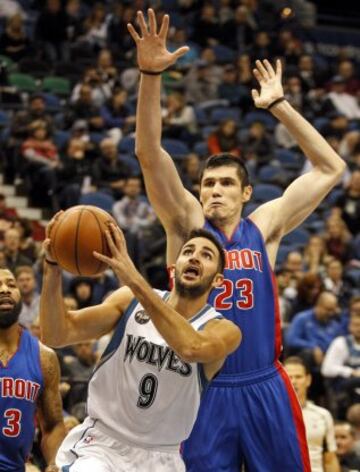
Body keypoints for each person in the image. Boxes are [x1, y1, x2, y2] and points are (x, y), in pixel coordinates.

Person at [127, 9, 346, 471]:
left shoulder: (264, 226)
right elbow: (148, 154)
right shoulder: (186, 225)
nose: (214, 192)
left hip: (265, 382)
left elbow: (332, 168)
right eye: (208, 184)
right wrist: (150, 76)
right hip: (201, 388)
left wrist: (280, 106)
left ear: (246, 193)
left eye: (226, 184)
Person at [40, 221, 241, 472]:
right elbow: (56, 334)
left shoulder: (223, 330)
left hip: (161, 457)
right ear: (174, 267)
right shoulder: (130, 301)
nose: (194, 258)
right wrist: (52, 268)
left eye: (206, 255)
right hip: (102, 445)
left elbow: (191, 347)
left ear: (218, 280)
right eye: (188, 251)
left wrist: (134, 279)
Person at [0, 267, 65, 471]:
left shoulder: (43, 357)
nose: (5, 290)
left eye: (11, 284)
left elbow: (53, 425)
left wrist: (55, 462)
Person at [284, 356, 340, 472]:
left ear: (308, 380)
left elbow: (330, 459)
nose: (293, 381)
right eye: (288, 377)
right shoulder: (269, 415)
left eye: (298, 377)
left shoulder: (323, 415)